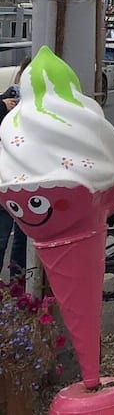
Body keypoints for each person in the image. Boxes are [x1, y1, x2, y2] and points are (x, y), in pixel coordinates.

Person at [0, 58, 29, 276]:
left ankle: (18, 290)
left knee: (23, 237)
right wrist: (2, 106)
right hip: (7, 177)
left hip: (25, 178)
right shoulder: (11, 94)